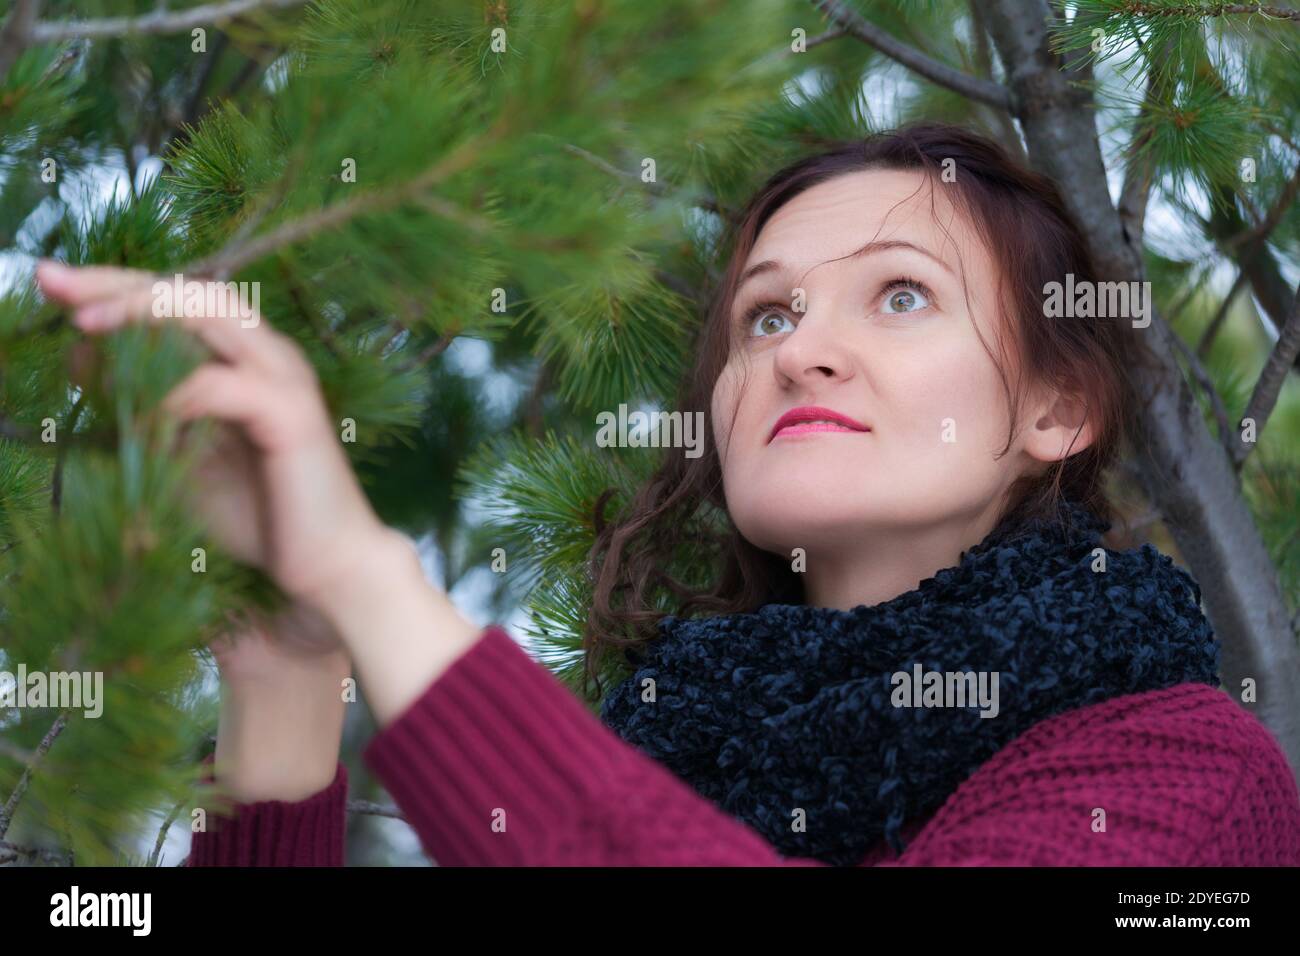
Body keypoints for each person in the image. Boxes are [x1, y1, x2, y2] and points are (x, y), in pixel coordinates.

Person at [34, 122, 1300, 866]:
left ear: (1055, 409)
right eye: (764, 315)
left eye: (900, 293)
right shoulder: (647, 753)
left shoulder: (1188, 774)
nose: (800, 348)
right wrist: (291, 669)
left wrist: (369, 578)